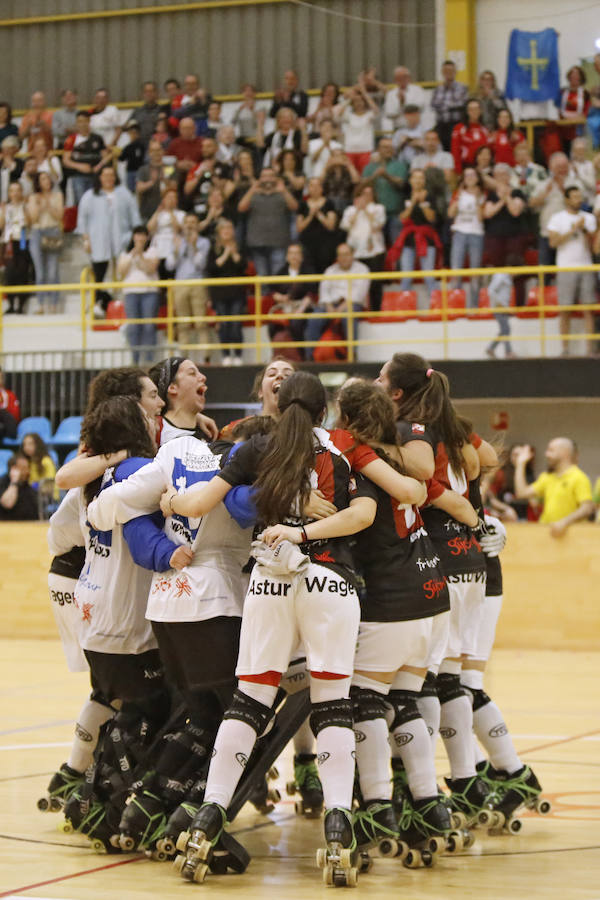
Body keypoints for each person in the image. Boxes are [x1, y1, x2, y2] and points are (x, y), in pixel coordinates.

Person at [158, 371, 379, 885]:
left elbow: (193, 505)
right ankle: (338, 825)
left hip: (269, 580)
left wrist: (168, 502)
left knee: (250, 700)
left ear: (278, 403)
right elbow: (363, 515)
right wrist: (306, 531)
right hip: (330, 581)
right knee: (332, 703)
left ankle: (210, 814)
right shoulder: (343, 452)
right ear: (325, 410)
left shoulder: (256, 446)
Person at [375, 353, 495, 823]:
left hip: (440, 555)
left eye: (382, 377)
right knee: (451, 678)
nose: (376, 382)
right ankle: (464, 778)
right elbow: (486, 460)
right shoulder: (451, 424)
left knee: (421, 681)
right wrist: (472, 509)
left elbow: (425, 479)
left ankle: (424, 786)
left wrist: (373, 450)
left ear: (398, 393)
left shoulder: (413, 429)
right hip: (470, 559)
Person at [78, 167, 141, 316]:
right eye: (105, 175)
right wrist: (86, 240)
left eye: (111, 174)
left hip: (122, 240)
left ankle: (124, 306)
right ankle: (101, 305)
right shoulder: (90, 196)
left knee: (124, 275)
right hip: (98, 242)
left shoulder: (124, 194)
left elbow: (134, 217)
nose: (108, 178)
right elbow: (82, 220)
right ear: (99, 177)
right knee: (99, 278)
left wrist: (136, 238)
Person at [548, 186, 598, 356]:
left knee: (588, 309)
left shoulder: (589, 218)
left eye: (580, 196)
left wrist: (583, 229)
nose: (578, 200)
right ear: (567, 199)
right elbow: (553, 243)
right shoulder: (557, 218)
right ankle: (565, 348)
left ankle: (590, 350)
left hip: (585, 265)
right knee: (565, 309)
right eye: (575, 197)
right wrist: (573, 229)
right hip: (565, 266)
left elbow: (593, 247)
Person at [513, 438, 594, 536]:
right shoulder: (547, 477)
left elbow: (587, 508)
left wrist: (564, 522)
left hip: (570, 537)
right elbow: (522, 493)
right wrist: (520, 463)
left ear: (564, 452)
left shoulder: (579, 477)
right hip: (547, 534)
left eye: (550, 450)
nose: (546, 454)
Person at [305, 243, 370, 357]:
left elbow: (358, 294)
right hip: (330, 304)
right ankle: (310, 357)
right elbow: (324, 291)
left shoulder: (362, 269)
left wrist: (341, 308)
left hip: (351, 304)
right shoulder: (330, 270)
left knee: (348, 316)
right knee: (314, 318)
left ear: (352, 255)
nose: (343, 258)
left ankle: (352, 355)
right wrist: (329, 306)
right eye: (340, 255)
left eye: (346, 254)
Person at [387, 168, 440, 296]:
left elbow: (431, 218)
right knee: (406, 275)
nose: (418, 180)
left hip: (426, 238)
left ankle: (437, 306)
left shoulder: (430, 197)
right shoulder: (405, 197)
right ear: (410, 180)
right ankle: (405, 306)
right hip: (408, 238)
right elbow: (402, 218)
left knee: (429, 275)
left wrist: (422, 203)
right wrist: (412, 202)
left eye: (421, 178)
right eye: (415, 177)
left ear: (424, 181)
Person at [238, 166, 298, 281]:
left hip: (279, 242)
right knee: (262, 278)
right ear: (259, 179)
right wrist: (252, 189)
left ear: (276, 178)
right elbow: (241, 207)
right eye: (264, 176)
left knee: (278, 277)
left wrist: (284, 190)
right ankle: (264, 298)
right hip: (257, 242)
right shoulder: (253, 194)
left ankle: (276, 297)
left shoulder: (282, 193)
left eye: (271, 176)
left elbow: (294, 207)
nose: (267, 179)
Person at [166, 212, 211, 362]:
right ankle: (182, 359)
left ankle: (206, 357)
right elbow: (170, 265)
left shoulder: (204, 242)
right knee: (183, 323)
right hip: (180, 284)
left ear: (198, 225)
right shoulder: (177, 242)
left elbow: (201, 264)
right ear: (183, 225)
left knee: (200, 322)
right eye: (187, 223)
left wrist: (193, 246)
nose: (190, 225)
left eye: (193, 222)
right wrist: (176, 250)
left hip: (197, 283)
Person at [483, 163, 529, 305]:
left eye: (504, 174)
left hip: (514, 237)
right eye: (498, 175)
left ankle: (519, 305)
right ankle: (498, 305)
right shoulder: (491, 195)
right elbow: (487, 213)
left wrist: (507, 196)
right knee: (497, 272)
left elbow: (515, 211)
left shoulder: (517, 193)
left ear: (509, 176)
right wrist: (502, 200)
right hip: (495, 238)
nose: (501, 178)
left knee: (516, 272)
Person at [529, 151, 582, 273]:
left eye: (564, 166)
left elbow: (579, 204)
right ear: (551, 167)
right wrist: (545, 193)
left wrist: (564, 190)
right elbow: (532, 204)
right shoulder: (543, 184)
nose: (562, 170)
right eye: (559, 167)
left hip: (568, 235)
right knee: (545, 269)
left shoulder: (574, 183)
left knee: (567, 270)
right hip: (546, 233)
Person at [206, 218, 247, 366]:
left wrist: (234, 253)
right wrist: (225, 253)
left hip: (237, 292)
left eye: (230, 229)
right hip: (220, 293)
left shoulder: (239, 247)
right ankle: (225, 355)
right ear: (219, 233)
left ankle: (237, 354)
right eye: (224, 229)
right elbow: (212, 268)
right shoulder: (214, 249)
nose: (227, 232)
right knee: (223, 324)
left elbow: (243, 265)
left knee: (236, 323)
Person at [117, 225, 160, 365]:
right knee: (133, 326)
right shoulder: (126, 253)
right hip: (131, 292)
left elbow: (150, 268)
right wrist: (133, 254)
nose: (140, 238)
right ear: (133, 237)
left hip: (149, 292)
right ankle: (134, 359)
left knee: (148, 325)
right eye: (137, 235)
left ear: (147, 237)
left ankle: (148, 359)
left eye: (143, 235)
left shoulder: (152, 251)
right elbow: (121, 271)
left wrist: (141, 255)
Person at [340, 183, 386, 311]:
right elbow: (345, 226)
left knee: (375, 283)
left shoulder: (378, 208)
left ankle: (376, 311)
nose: (367, 197)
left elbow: (378, 225)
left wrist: (366, 210)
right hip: (356, 253)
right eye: (364, 194)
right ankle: (358, 309)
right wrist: (358, 210)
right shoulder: (350, 210)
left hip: (374, 251)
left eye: (369, 194)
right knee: (357, 284)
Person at [27, 171, 64, 314]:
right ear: (38, 182)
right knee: (40, 271)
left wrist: (48, 205)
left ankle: (54, 303)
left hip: (53, 231)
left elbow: (59, 216)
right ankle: (41, 303)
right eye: (43, 179)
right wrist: (40, 206)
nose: (46, 181)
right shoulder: (33, 197)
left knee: (53, 271)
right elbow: (33, 219)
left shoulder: (58, 196)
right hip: (37, 232)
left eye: (48, 179)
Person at [448, 167, 486, 307]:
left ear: (477, 178)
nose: (469, 177)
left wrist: (476, 199)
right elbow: (451, 214)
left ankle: (474, 306)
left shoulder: (483, 194)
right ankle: (456, 305)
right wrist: (457, 199)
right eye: (467, 175)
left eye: (472, 175)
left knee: (475, 271)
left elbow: (481, 218)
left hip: (476, 233)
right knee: (456, 269)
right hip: (459, 232)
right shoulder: (458, 194)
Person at [269, 244, 316, 354]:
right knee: (271, 325)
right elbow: (272, 291)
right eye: (291, 253)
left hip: (303, 307)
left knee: (296, 323)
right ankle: (276, 354)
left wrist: (300, 310)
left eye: (297, 253)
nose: (294, 256)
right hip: (285, 307)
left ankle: (301, 354)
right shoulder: (281, 272)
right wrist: (279, 297)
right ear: (286, 257)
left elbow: (311, 292)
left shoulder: (309, 271)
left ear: (302, 257)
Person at [362, 136, 408, 245]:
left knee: (396, 247)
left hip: (395, 214)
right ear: (378, 149)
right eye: (385, 147)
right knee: (376, 247)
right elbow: (361, 187)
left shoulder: (400, 166)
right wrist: (374, 177)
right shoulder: (369, 168)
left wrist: (386, 176)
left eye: (391, 147)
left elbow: (402, 184)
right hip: (374, 215)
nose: (388, 149)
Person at [62, 111, 110, 207]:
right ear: (76, 123)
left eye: (84, 121)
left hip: (96, 176)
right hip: (78, 177)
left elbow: (106, 157)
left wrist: (99, 166)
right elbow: (65, 160)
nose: (82, 124)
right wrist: (79, 166)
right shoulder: (71, 139)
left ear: (89, 122)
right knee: (81, 203)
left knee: (97, 203)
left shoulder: (97, 138)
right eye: (79, 121)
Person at [0, 181, 32, 314]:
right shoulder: (5, 207)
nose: (15, 193)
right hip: (9, 242)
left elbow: (30, 222)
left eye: (18, 190)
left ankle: (21, 304)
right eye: (12, 190)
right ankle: (11, 304)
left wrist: (24, 207)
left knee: (23, 272)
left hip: (23, 241)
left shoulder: (26, 206)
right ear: (9, 193)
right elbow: (1, 226)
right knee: (9, 273)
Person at [296, 176, 338, 274]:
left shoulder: (329, 203)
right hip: (307, 245)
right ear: (308, 188)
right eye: (311, 186)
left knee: (325, 270)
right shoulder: (303, 204)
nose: (314, 188)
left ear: (321, 188)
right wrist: (310, 216)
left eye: (317, 186)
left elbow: (331, 225)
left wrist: (319, 214)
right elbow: (299, 227)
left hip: (325, 244)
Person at [338, 86, 378, 174]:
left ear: (364, 102)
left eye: (361, 101)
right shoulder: (349, 116)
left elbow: (376, 110)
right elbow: (339, 113)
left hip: (365, 150)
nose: (359, 103)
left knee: (365, 175)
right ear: (352, 103)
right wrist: (349, 99)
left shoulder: (369, 115)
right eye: (356, 101)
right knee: (351, 175)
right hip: (350, 150)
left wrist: (364, 94)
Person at [147, 186, 185, 278]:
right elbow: (149, 227)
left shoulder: (181, 214)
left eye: (173, 197)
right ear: (163, 200)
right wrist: (157, 212)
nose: (171, 200)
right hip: (159, 247)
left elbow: (178, 228)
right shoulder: (159, 214)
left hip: (173, 247)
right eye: (168, 197)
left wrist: (171, 212)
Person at [431, 61, 469, 151]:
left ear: (455, 72)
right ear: (442, 72)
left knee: (455, 150)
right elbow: (433, 105)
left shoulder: (462, 88)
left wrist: (445, 106)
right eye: (446, 71)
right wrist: (451, 106)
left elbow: (463, 104)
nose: (448, 73)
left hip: (456, 124)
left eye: (451, 70)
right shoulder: (438, 89)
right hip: (441, 125)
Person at [383, 66, 430, 130]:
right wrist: (401, 104)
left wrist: (404, 102)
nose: (402, 79)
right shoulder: (391, 94)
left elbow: (420, 106)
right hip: (398, 128)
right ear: (395, 79)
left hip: (416, 128)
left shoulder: (417, 90)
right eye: (399, 77)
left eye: (404, 77)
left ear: (409, 78)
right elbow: (389, 113)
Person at [451, 99, 490, 174]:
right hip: (466, 168)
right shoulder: (459, 128)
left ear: (480, 111)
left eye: (476, 109)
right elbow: (455, 151)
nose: (474, 111)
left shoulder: (485, 129)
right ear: (467, 112)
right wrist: (458, 171)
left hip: (484, 168)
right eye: (471, 109)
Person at [135, 139, 170, 223]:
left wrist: (164, 179)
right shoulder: (143, 170)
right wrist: (152, 182)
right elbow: (139, 188)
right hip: (147, 213)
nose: (156, 153)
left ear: (163, 151)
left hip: (167, 213)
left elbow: (174, 187)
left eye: (158, 150)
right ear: (149, 153)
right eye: (153, 151)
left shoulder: (169, 168)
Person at [485, 270, 517, 359]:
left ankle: (491, 348)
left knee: (504, 329)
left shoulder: (506, 278)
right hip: (499, 307)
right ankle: (508, 351)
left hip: (502, 307)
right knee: (506, 329)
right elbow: (491, 290)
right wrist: (501, 304)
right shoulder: (501, 277)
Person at [560, 65, 591, 152]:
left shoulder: (585, 93)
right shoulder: (562, 92)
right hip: (564, 128)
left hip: (578, 128)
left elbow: (587, 110)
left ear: (581, 77)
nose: (574, 77)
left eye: (577, 74)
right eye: (572, 74)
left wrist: (581, 117)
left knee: (578, 151)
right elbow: (558, 108)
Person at [321, 149, 360, 218]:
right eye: (335, 156)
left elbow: (356, 180)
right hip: (330, 205)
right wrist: (327, 165)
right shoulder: (328, 172)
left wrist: (349, 164)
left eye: (339, 155)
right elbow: (319, 182)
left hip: (346, 204)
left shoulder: (348, 172)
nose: (337, 158)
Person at [168, 117, 205, 188]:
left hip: (197, 175)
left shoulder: (202, 142)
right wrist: (177, 164)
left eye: (189, 128)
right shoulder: (174, 143)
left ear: (195, 128)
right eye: (184, 128)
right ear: (179, 129)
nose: (186, 131)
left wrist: (195, 166)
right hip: (178, 175)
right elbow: (167, 161)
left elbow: (207, 161)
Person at [0, 452, 38, 520]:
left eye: (27, 468)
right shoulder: (2, 482)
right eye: (23, 468)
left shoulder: (28, 488)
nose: (27, 471)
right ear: (13, 469)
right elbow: (8, 504)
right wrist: (14, 482)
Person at [126, 81, 162, 148]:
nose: (149, 94)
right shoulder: (137, 111)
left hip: (156, 145)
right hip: (139, 146)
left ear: (156, 93)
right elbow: (127, 126)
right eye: (146, 92)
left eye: (151, 91)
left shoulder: (162, 110)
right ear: (143, 94)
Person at [0, 136, 23, 204]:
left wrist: (10, 163)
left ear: (15, 150)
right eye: (4, 148)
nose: (6, 151)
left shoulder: (20, 162)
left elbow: (18, 174)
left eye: (9, 148)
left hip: (13, 199)